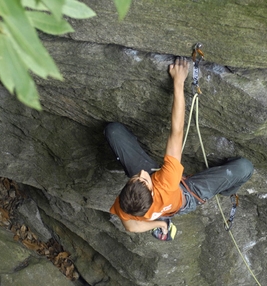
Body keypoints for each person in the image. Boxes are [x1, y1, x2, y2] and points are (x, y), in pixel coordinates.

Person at [105, 57, 254, 241]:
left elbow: (132, 227)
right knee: (245, 168)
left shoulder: (126, 205)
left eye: (136, 177)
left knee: (113, 131)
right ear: (152, 189)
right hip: (188, 196)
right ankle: (226, 190)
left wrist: (161, 224)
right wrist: (178, 82)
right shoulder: (166, 182)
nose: (142, 173)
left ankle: (163, 215)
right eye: (144, 179)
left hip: (160, 203)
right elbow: (177, 132)